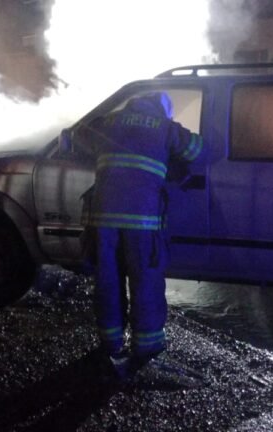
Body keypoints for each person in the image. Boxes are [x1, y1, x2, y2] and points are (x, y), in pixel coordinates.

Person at [75, 92, 203, 379]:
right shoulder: (165, 127)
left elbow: (79, 136)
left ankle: (111, 342)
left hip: (103, 220)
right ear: (163, 110)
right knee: (145, 282)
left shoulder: (109, 121)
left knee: (108, 282)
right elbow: (197, 149)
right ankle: (146, 346)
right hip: (141, 222)